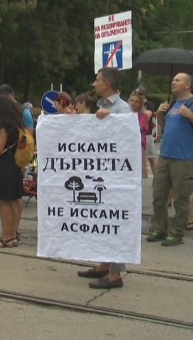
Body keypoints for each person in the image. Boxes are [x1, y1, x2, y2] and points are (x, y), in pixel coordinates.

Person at [77, 67, 133, 289]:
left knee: (114, 222)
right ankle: (104, 264)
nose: (93, 84)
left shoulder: (122, 109)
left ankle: (115, 274)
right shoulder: (102, 105)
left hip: (116, 177)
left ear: (107, 84)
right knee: (102, 220)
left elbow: (125, 140)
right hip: (102, 173)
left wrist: (111, 121)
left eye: (97, 80)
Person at [146, 73, 193, 247]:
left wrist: (190, 115)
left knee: (181, 198)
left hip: (184, 158)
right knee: (159, 195)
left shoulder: (191, 103)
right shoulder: (173, 104)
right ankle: (159, 228)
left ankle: (177, 233)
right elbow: (167, 128)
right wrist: (159, 115)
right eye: (173, 80)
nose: (173, 82)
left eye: (177, 80)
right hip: (165, 155)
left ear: (187, 85)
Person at [0, 96, 25, 248]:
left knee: (3, 202)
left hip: (3, 165)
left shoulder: (4, 124)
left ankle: (6, 237)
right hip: (14, 164)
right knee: (13, 201)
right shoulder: (17, 122)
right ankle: (13, 235)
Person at [128, 90, 150, 178]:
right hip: (126, 144)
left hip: (139, 145)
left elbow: (139, 128)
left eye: (137, 102)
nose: (133, 103)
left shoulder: (143, 116)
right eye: (132, 100)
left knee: (138, 169)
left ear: (140, 104)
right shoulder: (125, 114)